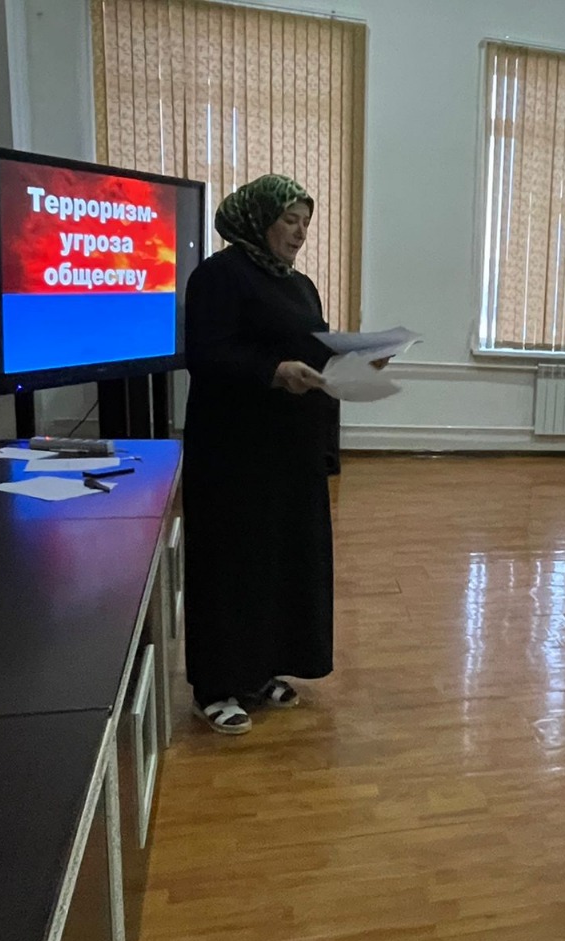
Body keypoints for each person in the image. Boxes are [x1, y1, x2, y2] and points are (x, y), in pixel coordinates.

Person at [183, 174, 360, 735]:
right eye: (290, 220)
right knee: (232, 561)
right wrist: (273, 371)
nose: (300, 232)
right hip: (234, 451)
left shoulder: (300, 284)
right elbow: (205, 354)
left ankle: (260, 671)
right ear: (260, 219)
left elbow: (312, 346)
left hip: (290, 448)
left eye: (306, 222)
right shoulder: (218, 275)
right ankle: (215, 686)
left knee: (281, 559)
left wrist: (355, 359)